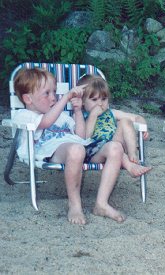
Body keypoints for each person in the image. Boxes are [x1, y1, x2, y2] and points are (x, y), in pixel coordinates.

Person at [13, 68, 127, 225]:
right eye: (47, 93)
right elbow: (46, 122)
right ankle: (74, 204)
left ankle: (101, 203)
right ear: (28, 99)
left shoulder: (62, 116)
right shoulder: (24, 115)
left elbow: (81, 137)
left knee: (116, 148)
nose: (53, 97)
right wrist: (66, 98)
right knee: (76, 149)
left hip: (82, 148)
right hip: (54, 151)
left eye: (54, 92)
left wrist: (78, 111)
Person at [78, 75, 151, 177]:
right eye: (94, 100)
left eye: (104, 99)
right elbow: (85, 139)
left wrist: (143, 127)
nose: (100, 103)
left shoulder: (111, 112)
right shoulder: (80, 116)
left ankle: (132, 155)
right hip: (95, 154)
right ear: (82, 101)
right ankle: (130, 166)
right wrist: (93, 116)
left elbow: (136, 118)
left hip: (116, 146)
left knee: (125, 121)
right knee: (113, 146)